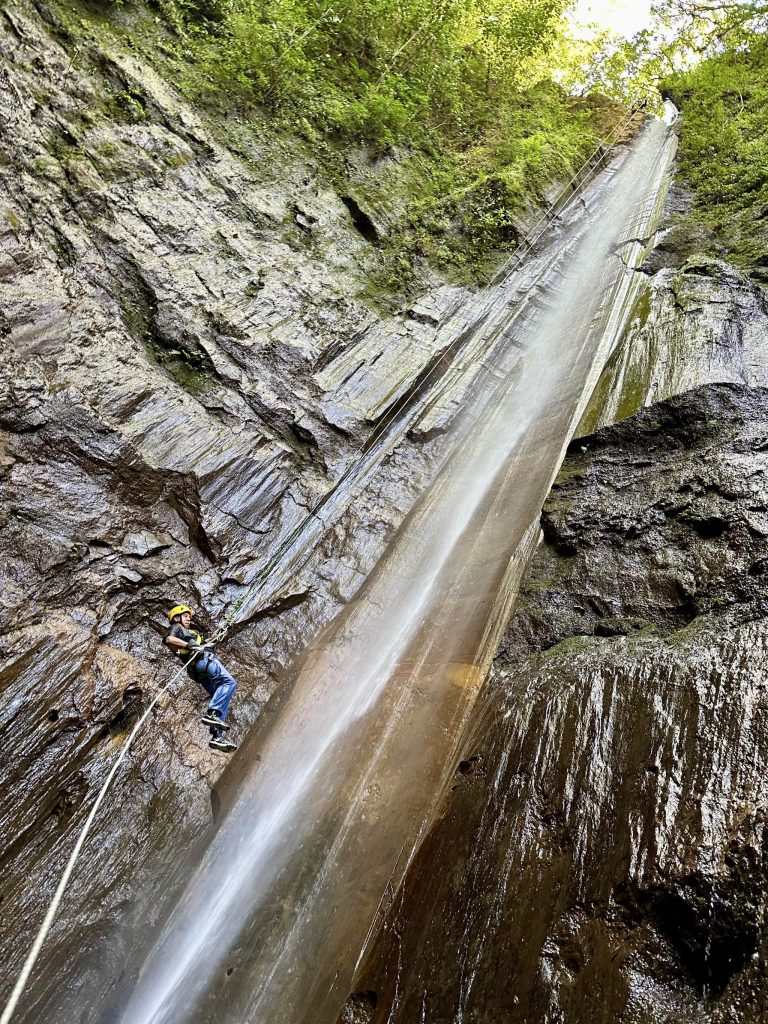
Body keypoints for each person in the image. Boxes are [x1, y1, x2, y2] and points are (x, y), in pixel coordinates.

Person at [165, 605, 239, 753]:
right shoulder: (177, 628)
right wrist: (190, 645)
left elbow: (207, 640)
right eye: (185, 616)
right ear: (177, 617)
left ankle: (217, 736)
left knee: (220, 696)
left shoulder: (193, 633)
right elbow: (169, 639)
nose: (188, 619)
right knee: (229, 683)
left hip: (197, 671)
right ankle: (212, 714)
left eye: (189, 617)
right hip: (203, 661)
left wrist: (221, 631)